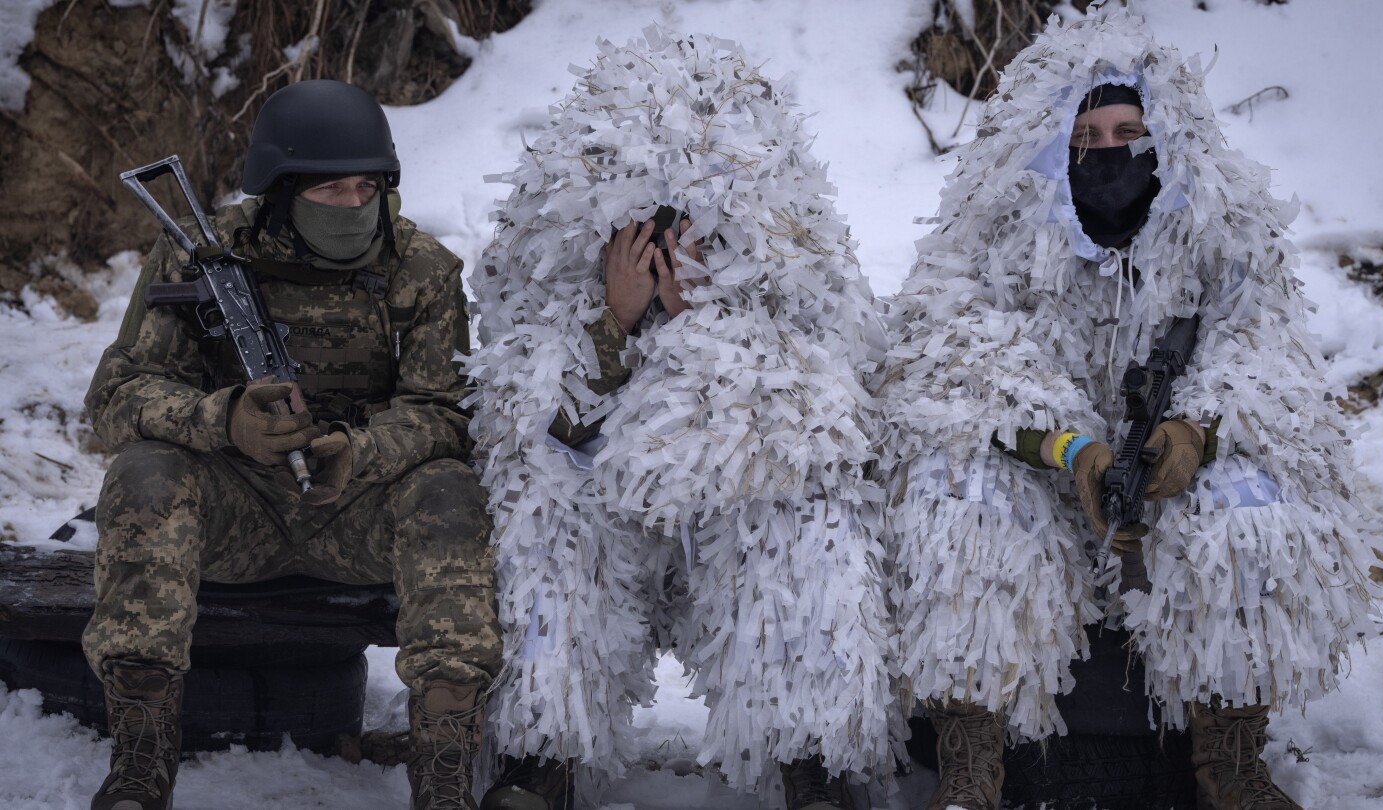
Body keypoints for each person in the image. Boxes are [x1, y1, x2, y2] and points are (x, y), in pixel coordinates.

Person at [875, 8, 1382, 810]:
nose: (1109, 153)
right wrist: (1064, 449)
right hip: (1044, 500)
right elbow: (946, 361)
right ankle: (973, 764)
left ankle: (1231, 760)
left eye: (1129, 132)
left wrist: (1194, 438)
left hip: (1170, 501)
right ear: (1049, 144)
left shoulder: (1220, 237)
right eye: (1086, 137)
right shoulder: (992, 237)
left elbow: (1268, 357)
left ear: (1166, 139)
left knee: (1253, 510)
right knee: (956, 505)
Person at [462, 29, 898, 810]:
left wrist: (705, 321)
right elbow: (527, 418)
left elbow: (823, 416)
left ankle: (812, 761)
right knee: (543, 508)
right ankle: (544, 753)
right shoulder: (554, 280)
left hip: (728, 534)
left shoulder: (799, 281)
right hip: (609, 527)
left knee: (806, 511)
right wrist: (613, 323)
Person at [83, 79, 500, 810]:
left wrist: (359, 452)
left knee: (449, 490)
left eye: (366, 186)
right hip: (232, 514)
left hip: (357, 512)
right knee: (144, 472)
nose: (353, 204)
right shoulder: (203, 258)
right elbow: (115, 403)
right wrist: (225, 420)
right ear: (279, 191)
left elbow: (445, 414)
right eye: (330, 188)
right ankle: (140, 766)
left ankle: (444, 776)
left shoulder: (421, 270)